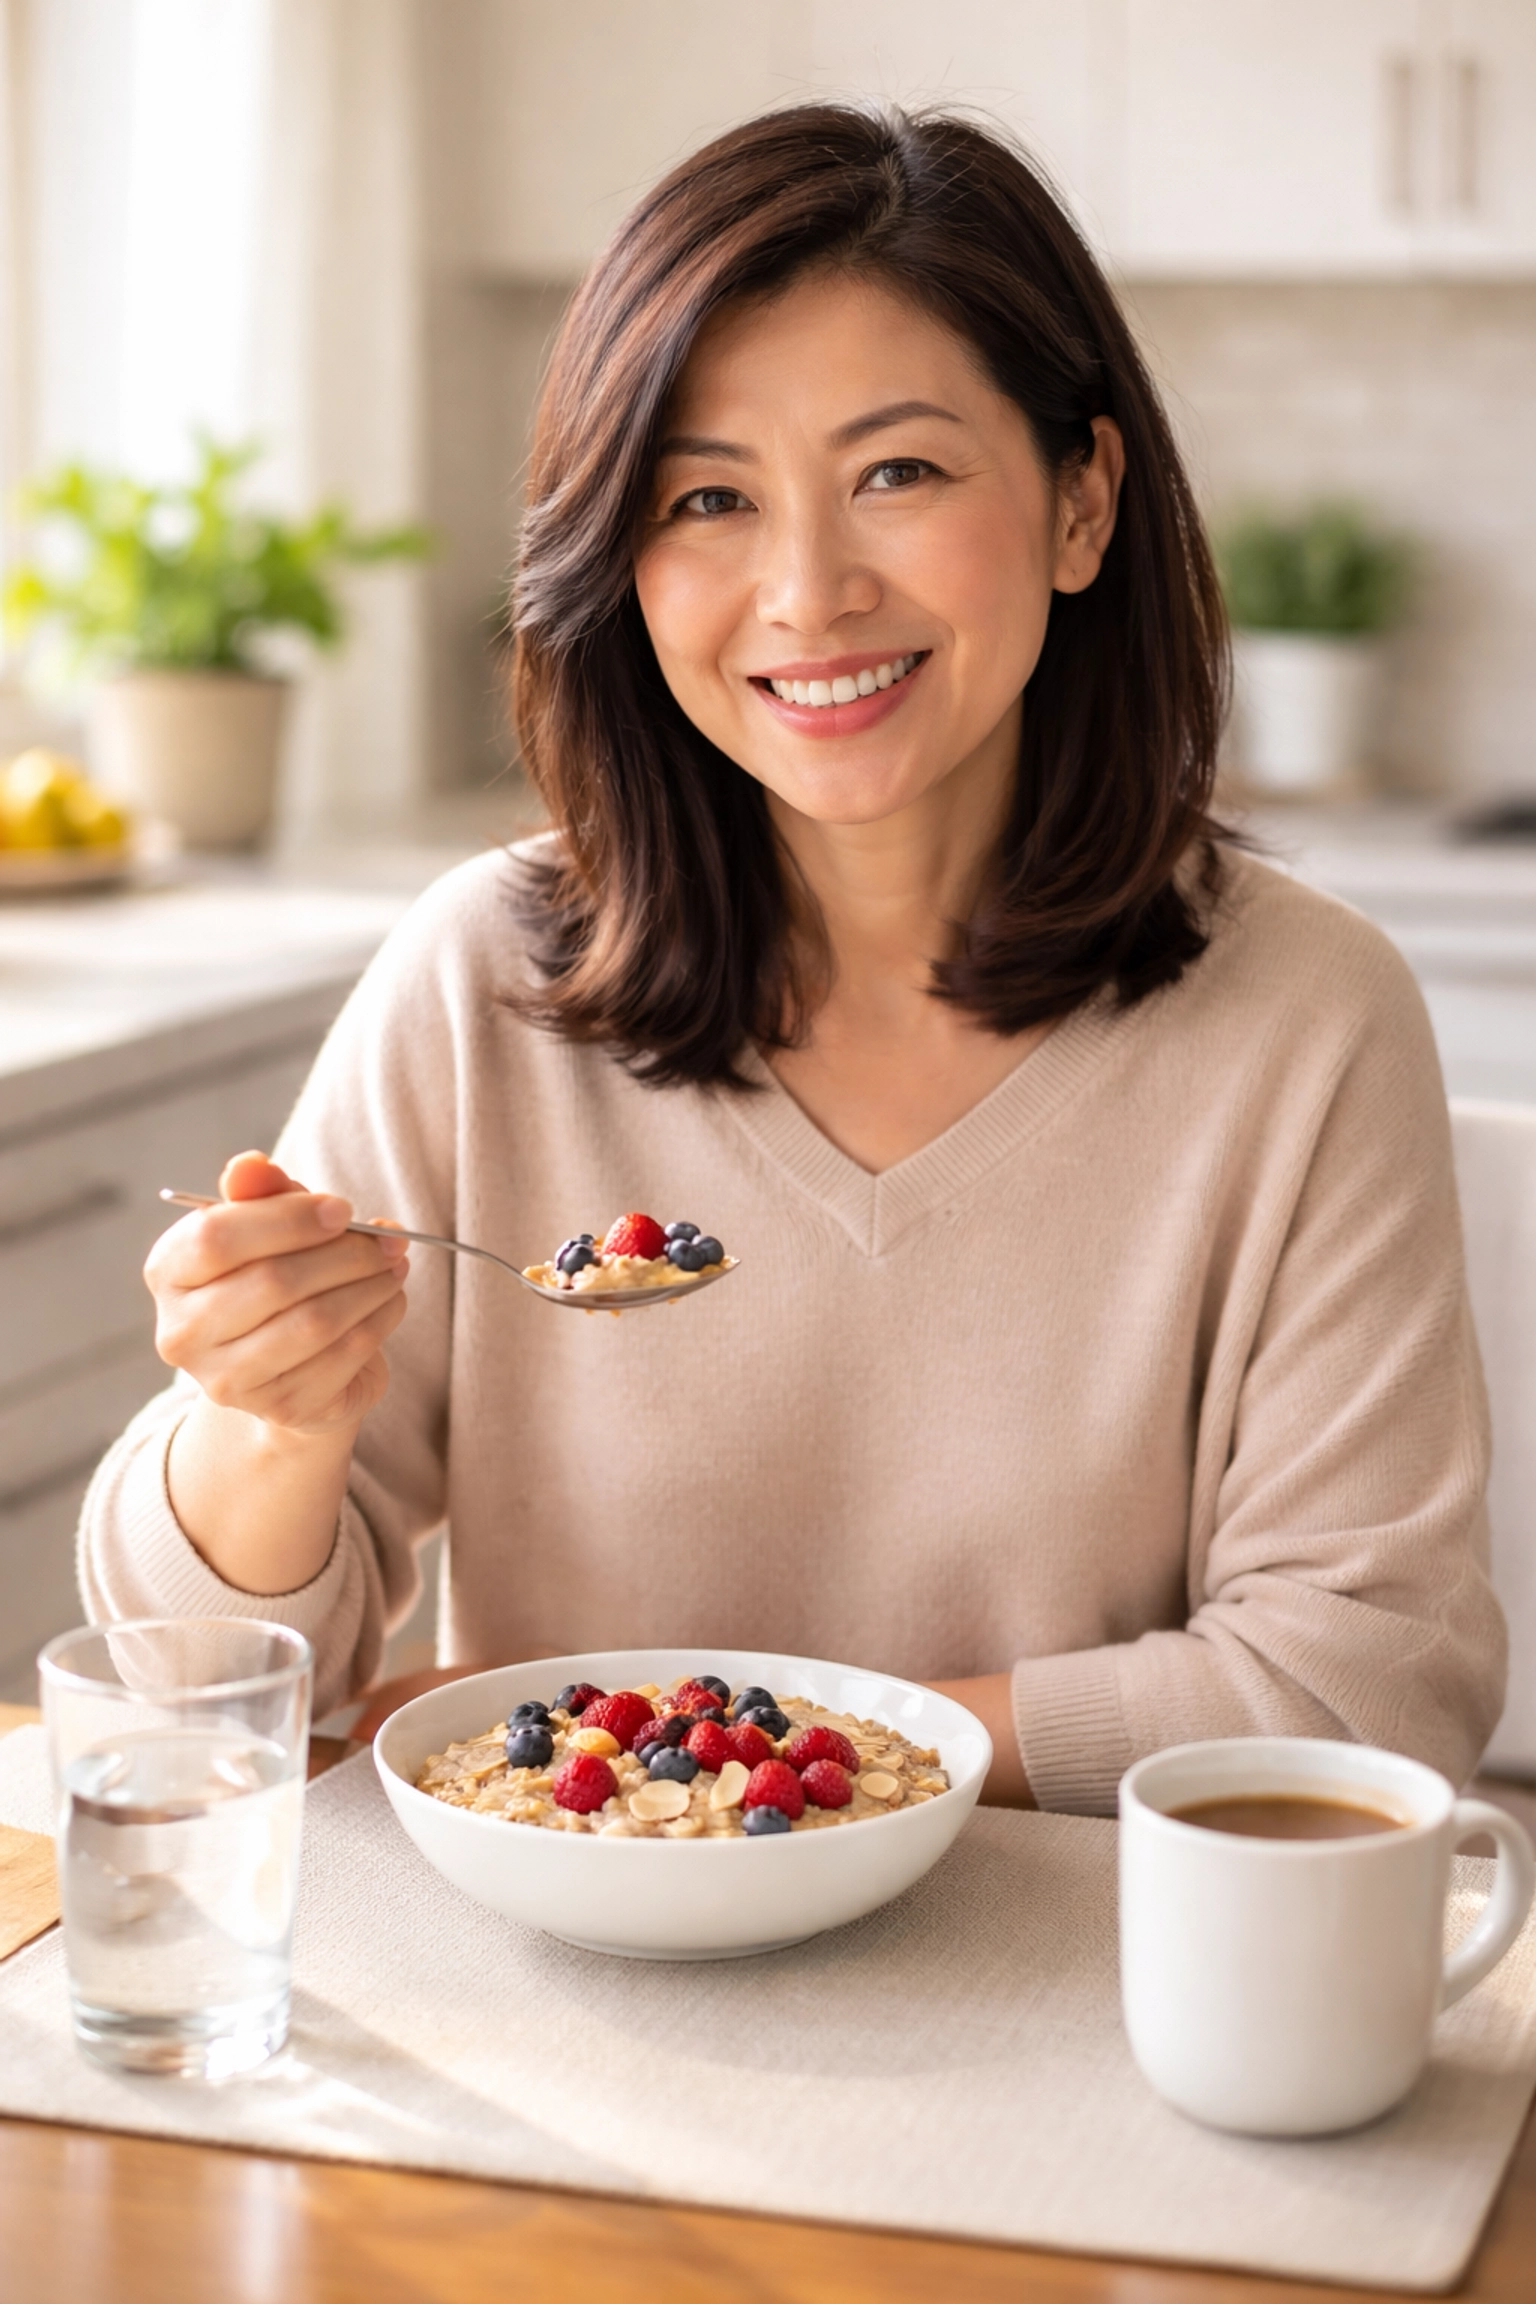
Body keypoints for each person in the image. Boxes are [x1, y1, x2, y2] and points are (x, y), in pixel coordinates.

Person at [79, 105, 1503, 1812]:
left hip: (1076, 2013)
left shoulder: (1304, 1020)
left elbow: (1364, 1683)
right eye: (707, 498)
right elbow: (194, 1686)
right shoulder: (484, 985)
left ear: (1081, 502)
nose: (808, 590)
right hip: (564, 2015)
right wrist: (270, 1422)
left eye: (898, 471)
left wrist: (728, 1744)